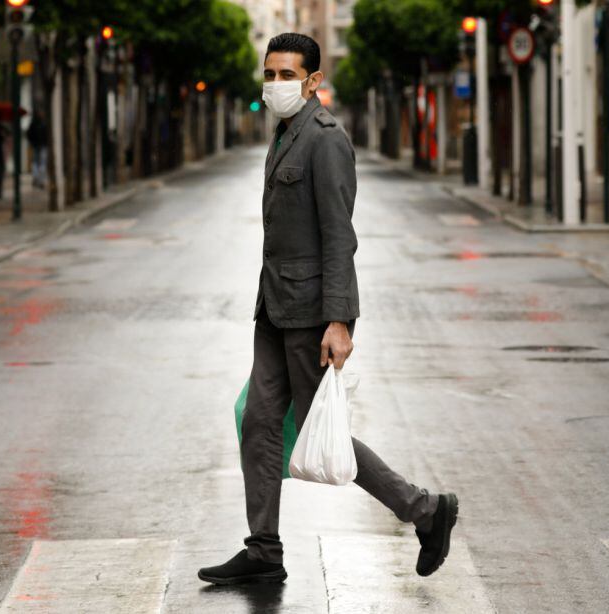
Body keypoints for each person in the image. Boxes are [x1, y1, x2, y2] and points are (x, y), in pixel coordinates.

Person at [197, 33, 458, 586]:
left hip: (313, 313)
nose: (274, 85)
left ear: (313, 81)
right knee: (258, 423)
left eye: (286, 75)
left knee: (326, 432)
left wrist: (339, 320)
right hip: (273, 307)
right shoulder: (285, 132)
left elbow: (340, 237)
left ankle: (426, 510)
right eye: (268, 74)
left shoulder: (326, 139)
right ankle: (263, 549)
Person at [26, 111, 47, 189]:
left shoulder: (34, 124)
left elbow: (29, 134)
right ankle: (39, 180)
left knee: (38, 163)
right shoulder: (42, 124)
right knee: (40, 163)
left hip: (38, 146)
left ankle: (38, 180)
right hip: (40, 146)